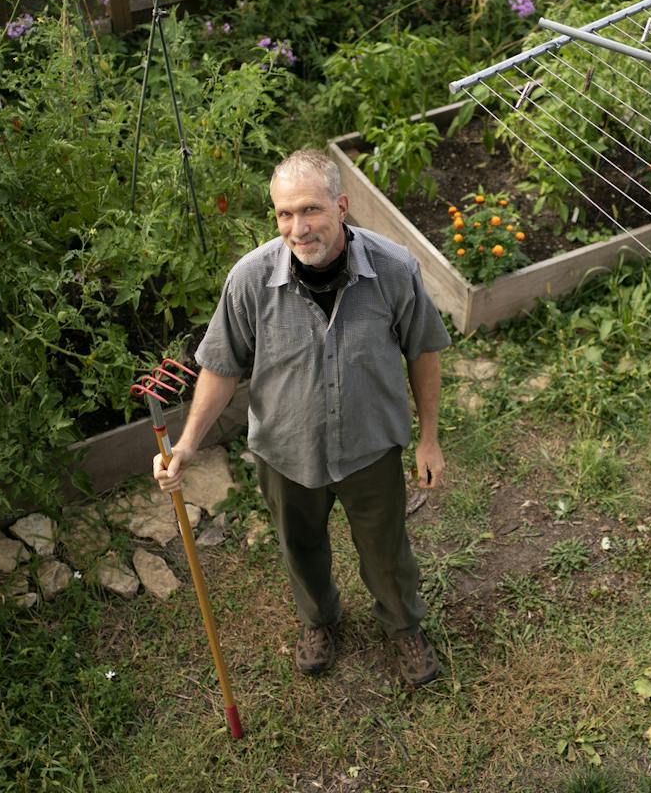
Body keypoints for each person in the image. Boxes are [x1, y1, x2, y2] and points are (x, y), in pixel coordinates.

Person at [153, 148, 451, 686]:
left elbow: (422, 352)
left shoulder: (393, 269)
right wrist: (189, 444)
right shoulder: (249, 280)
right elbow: (220, 367)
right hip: (286, 451)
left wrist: (429, 438)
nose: (298, 227)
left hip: (370, 447)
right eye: (285, 214)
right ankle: (319, 620)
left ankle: (403, 626)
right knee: (300, 546)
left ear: (341, 206)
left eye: (310, 210)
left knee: (386, 549)